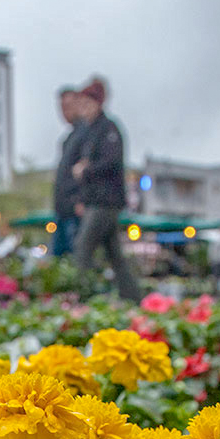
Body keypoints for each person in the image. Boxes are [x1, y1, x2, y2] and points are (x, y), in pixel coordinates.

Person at [71, 78, 141, 302]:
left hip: (105, 203)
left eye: (85, 103)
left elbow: (112, 162)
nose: (81, 109)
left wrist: (86, 169)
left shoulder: (108, 128)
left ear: (97, 103)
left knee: (82, 249)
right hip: (95, 201)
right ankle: (133, 298)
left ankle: (84, 298)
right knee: (115, 255)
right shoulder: (89, 131)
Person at [51, 87, 88, 257]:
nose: (64, 111)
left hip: (74, 209)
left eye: (68, 105)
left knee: (75, 257)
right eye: (62, 107)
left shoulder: (86, 133)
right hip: (63, 209)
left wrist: (80, 200)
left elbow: (87, 170)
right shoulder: (69, 138)